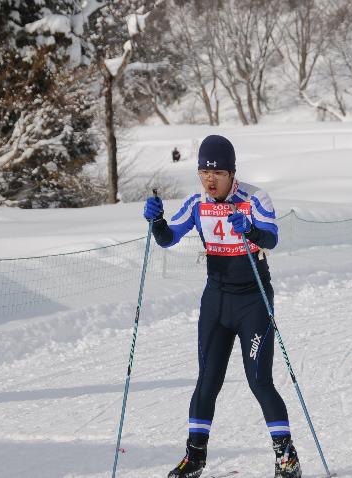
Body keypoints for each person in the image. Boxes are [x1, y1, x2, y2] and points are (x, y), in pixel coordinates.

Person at [143, 135, 302, 478]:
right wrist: (156, 222)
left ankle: (286, 457)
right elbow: (168, 238)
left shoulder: (254, 199)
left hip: (252, 301)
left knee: (259, 380)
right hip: (216, 301)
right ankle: (195, 457)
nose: (210, 180)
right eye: (204, 173)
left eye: (217, 173)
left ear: (232, 173)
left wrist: (251, 231)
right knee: (207, 380)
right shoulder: (197, 203)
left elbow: (272, 237)